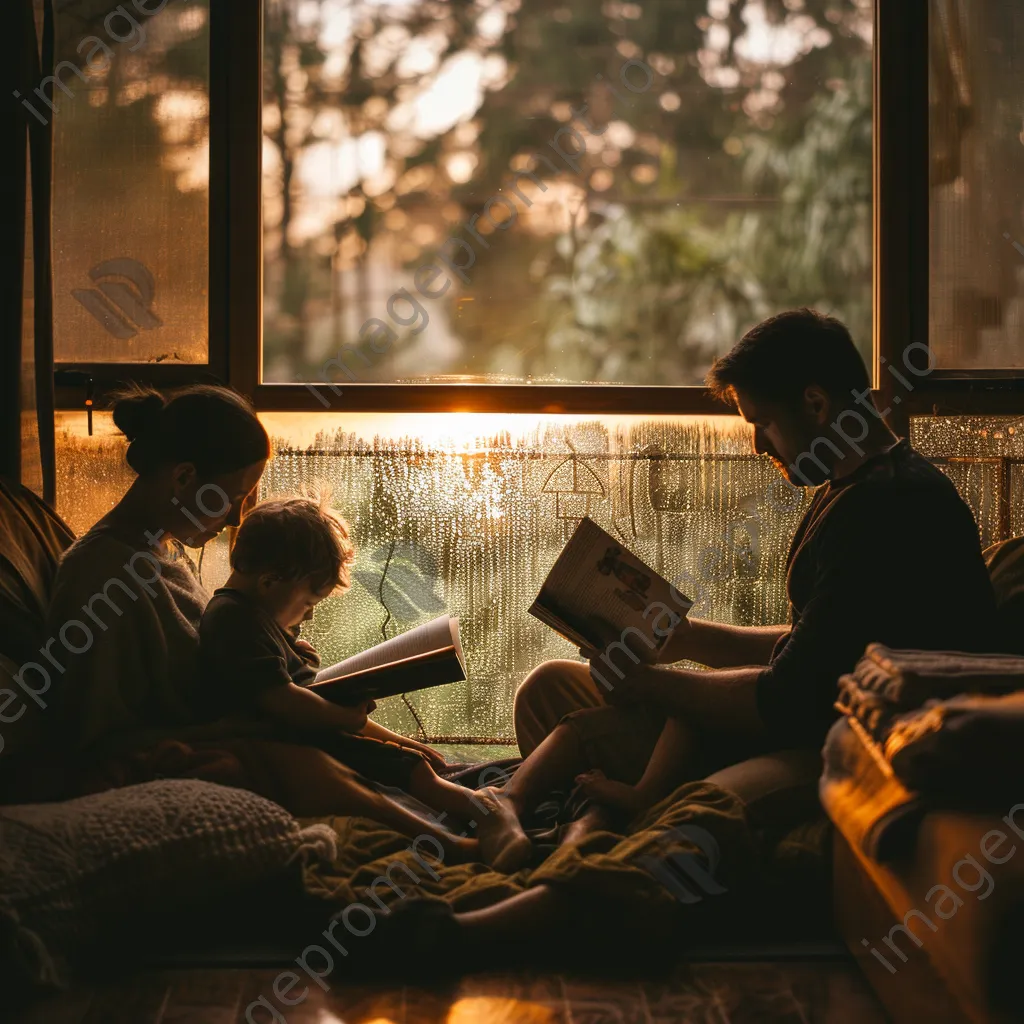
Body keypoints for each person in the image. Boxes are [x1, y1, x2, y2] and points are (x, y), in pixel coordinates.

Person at [500, 308, 997, 839]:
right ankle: (587, 810)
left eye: (762, 423)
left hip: (825, 735)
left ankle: (592, 820)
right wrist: (687, 639)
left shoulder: (888, 508)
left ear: (815, 403)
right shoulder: (849, 483)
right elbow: (822, 642)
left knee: (597, 719)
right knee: (549, 687)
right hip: (801, 702)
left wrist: (649, 682)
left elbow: (790, 698)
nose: (759, 446)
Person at [47, 384, 519, 866]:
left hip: (233, 725)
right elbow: (93, 737)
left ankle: (449, 804)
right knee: (307, 760)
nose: (235, 518)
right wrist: (239, 725)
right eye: (232, 497)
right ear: (184, 477)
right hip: (176, 751)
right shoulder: (100, 576)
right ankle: (445, 836)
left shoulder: (166, 552)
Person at [199, 494, 530, 869]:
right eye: (309, 602)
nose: (306, 616)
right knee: (405, 772)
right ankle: (478, 820)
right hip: (285, 741)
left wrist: (399, 739)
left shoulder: (256, 618)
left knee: (410, 761)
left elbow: (299, 690)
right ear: (270, 581)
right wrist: (346, 720)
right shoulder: (233, 621)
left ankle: (473, 814)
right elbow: (280, 699)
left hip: (304, 734)